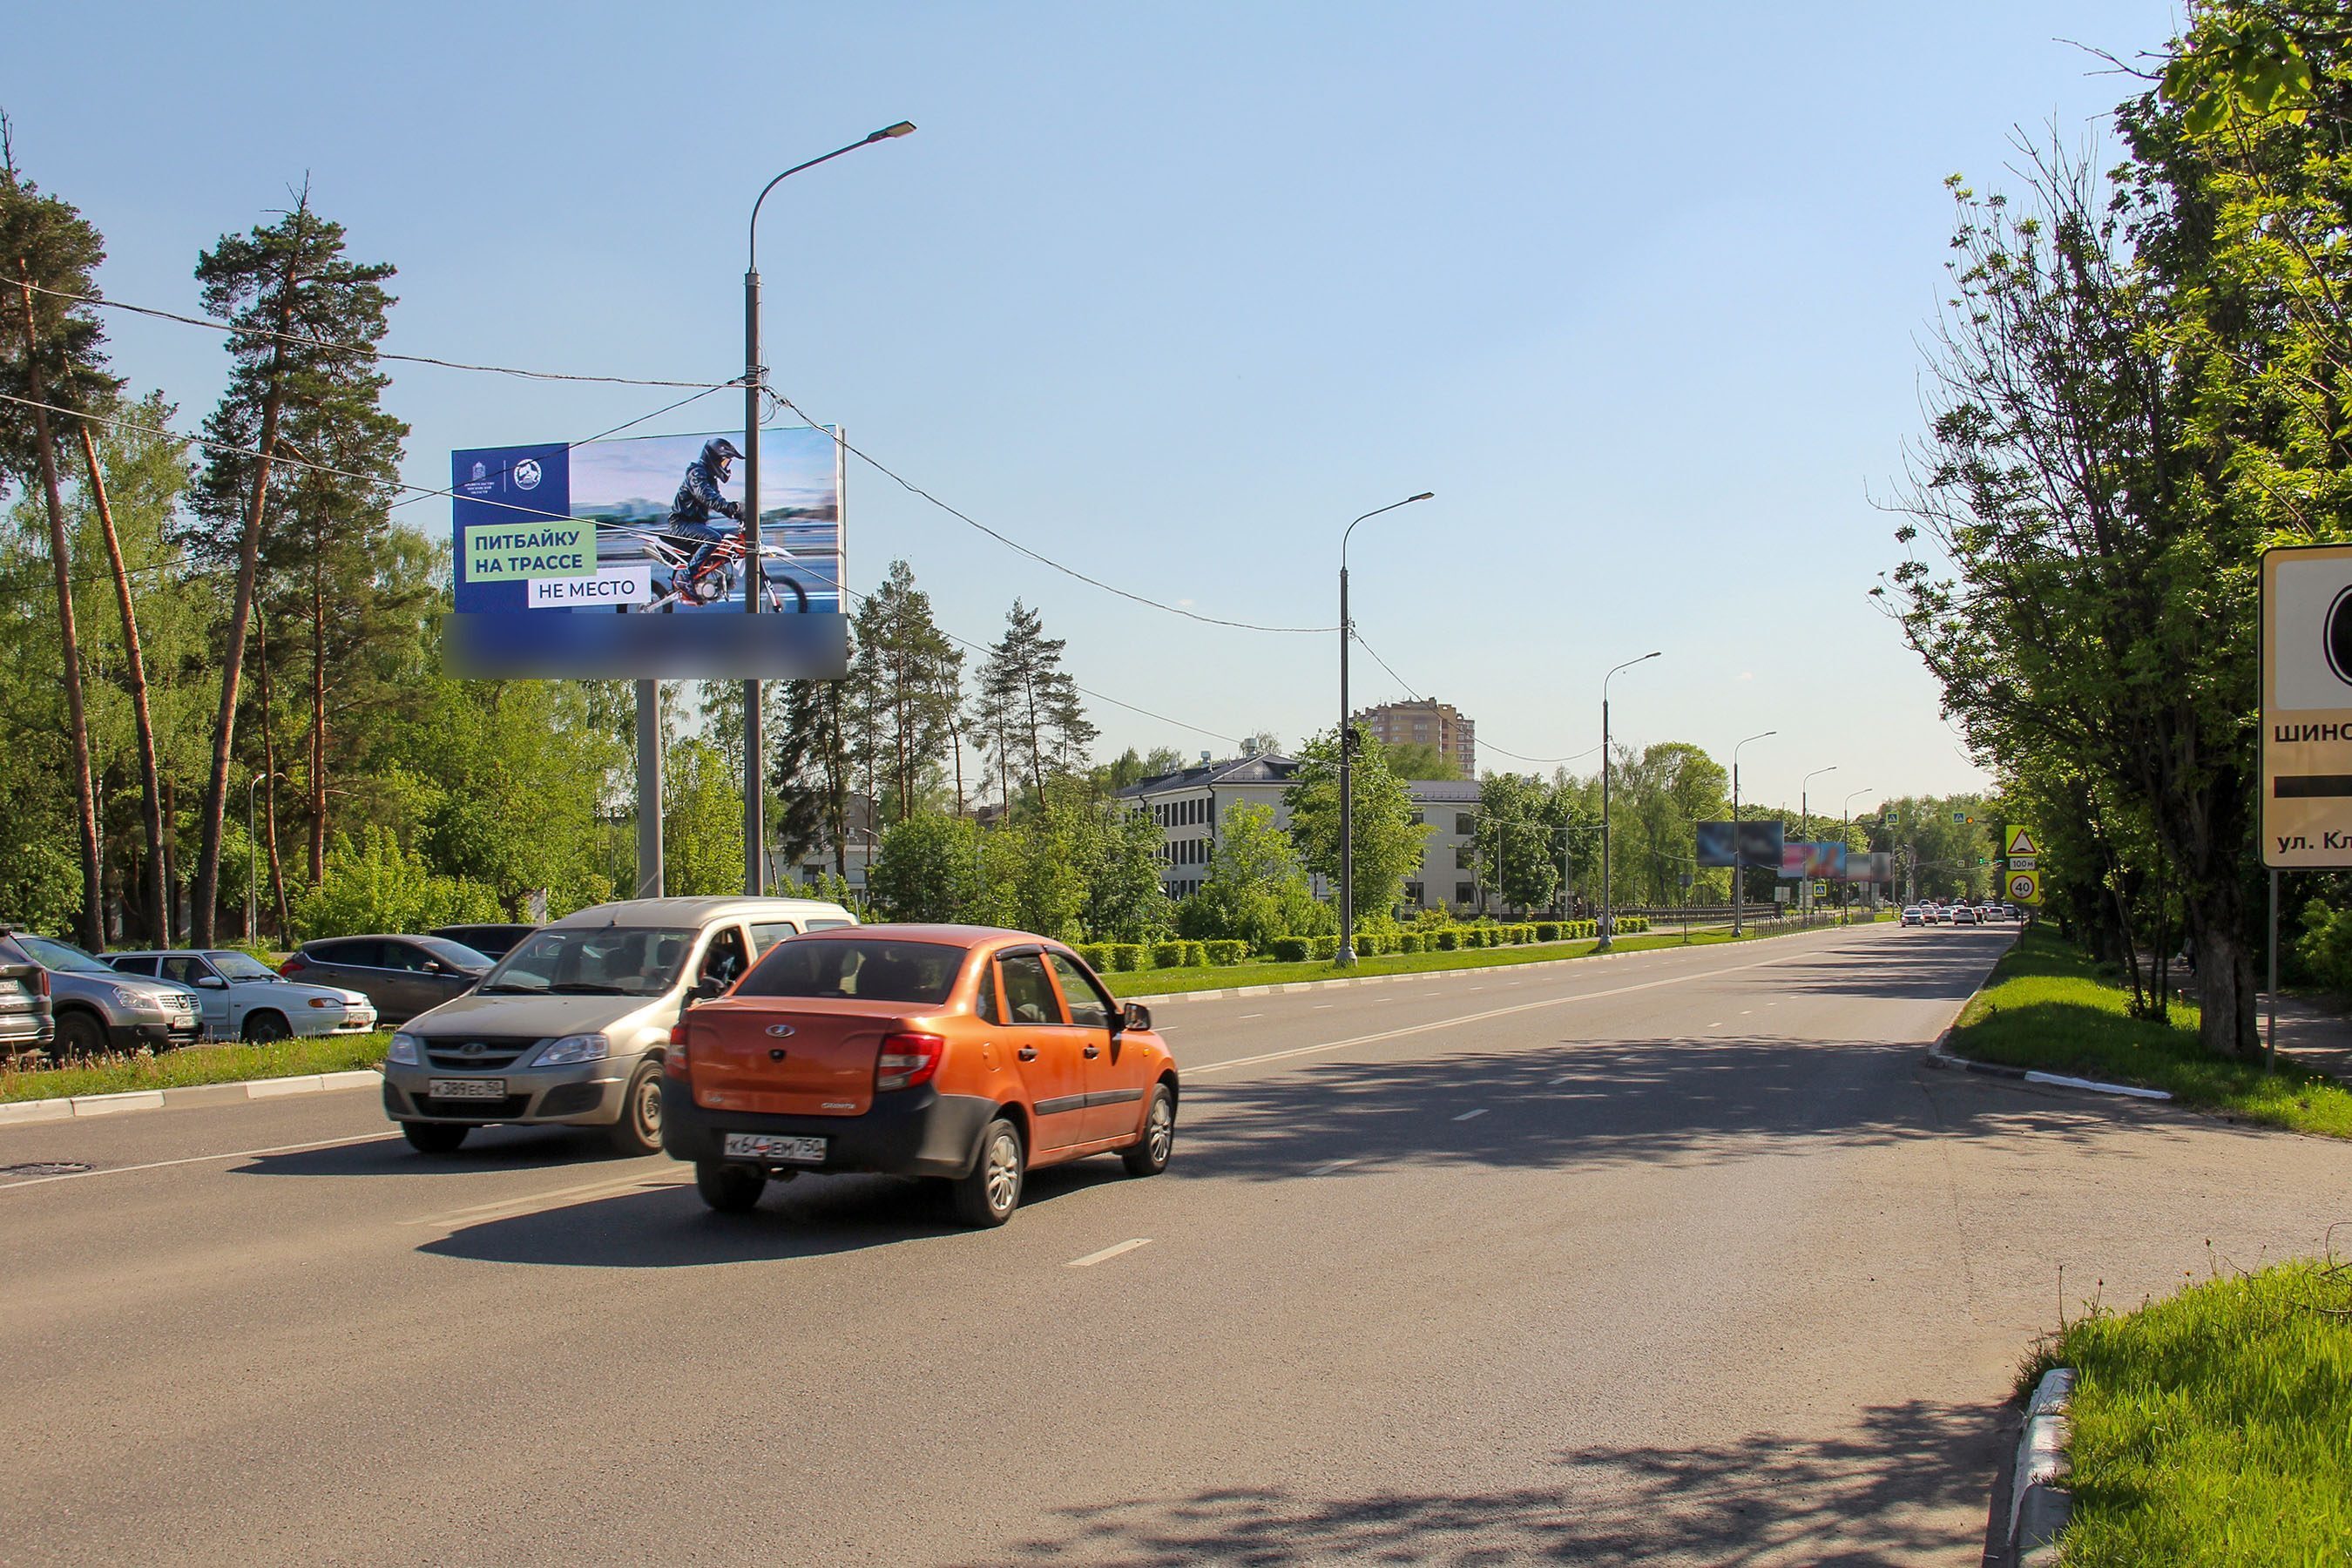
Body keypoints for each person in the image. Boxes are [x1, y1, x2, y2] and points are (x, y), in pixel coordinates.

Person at [665, 437, 747, 594]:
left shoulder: (710, 478)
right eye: (725, 462)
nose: (727, 466)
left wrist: (737, 513)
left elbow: (717, 500)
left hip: (696, 525)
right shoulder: (696, 473)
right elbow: (705, 496)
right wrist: (729, 507)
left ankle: (718, 577)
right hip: (681, 524)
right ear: (714, 458)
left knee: (731, 537)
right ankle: (687, 577)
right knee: (714, 538)